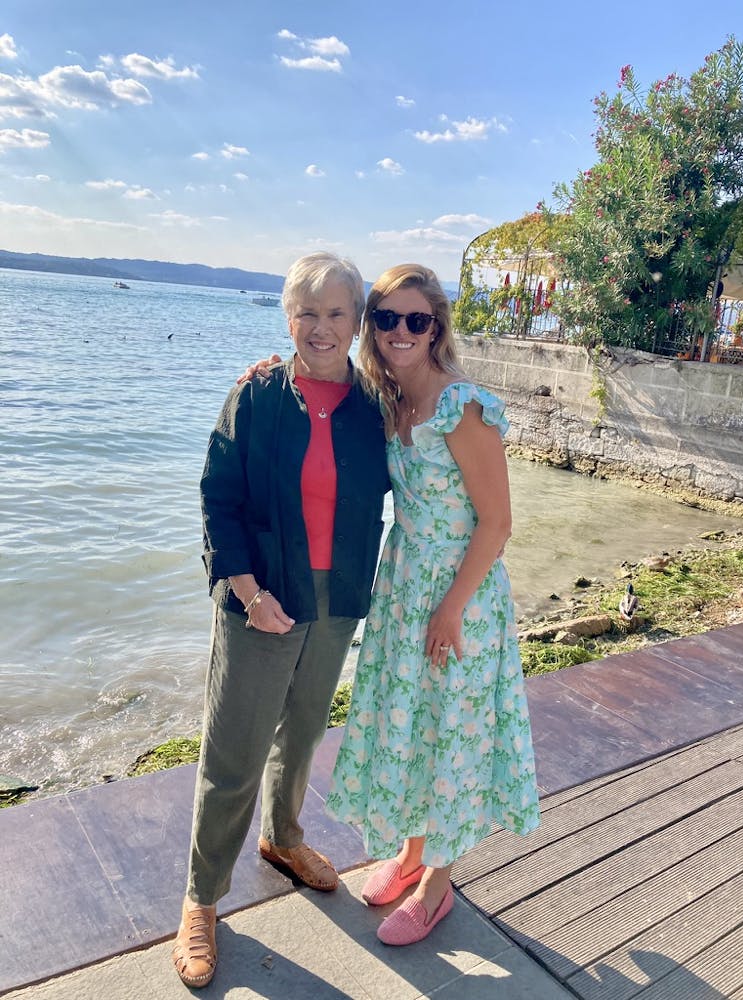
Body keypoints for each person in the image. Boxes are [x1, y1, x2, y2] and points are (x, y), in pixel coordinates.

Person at [171, 252, 390, 988]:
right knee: (233, 750)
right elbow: (217, 495)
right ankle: (201, 901)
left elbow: (429, 470)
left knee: (302, 731)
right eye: (307, 312)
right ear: (287, 317)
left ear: (358, 322)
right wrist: (245, 589)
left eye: (336, 313)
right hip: (260, 594)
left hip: (338, 596)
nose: (321, 328)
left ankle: (284, 838)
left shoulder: (373, 406)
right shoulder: (258, 394)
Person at [325, 263, 540, 946]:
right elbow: (317, 378)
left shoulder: (460, 405)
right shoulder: (390, 399)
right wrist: (269, 372)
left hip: (460, 596)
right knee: (414, 724)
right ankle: (411, 853)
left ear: (436, 327)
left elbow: (497, 523)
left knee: (451, 733)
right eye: (386, 318)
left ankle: (436, 886)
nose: (400, 332)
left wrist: (450, 608)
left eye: (416, 320)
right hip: (404, 587)